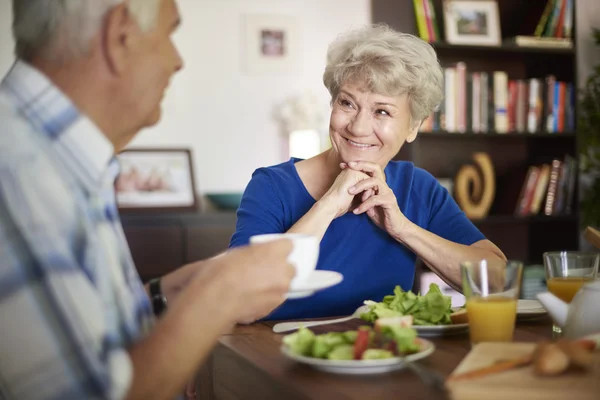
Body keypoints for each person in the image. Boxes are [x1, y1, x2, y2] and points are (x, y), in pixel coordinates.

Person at [0, 1, 295, 399]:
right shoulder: (17, 170)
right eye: (169, 32)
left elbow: (79, 332)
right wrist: (216, 297)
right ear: (120, 34)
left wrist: (162, 295)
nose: (178, 62)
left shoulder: (57, 157)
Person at [230, 24, 506, 320]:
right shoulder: (272, 186)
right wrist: (329, 204)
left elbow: (495, 281)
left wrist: (403, 229)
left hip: (384, 355)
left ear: (413, 126)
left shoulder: (417, 187)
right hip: (278, 356)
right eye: (347, 103)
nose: (358, 127)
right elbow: (239, 301)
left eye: (382, 111)